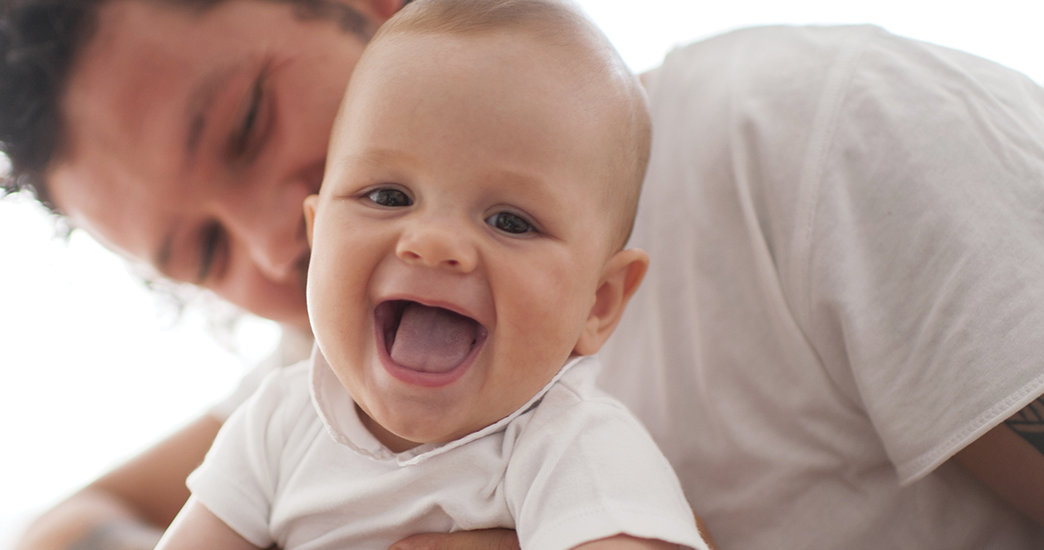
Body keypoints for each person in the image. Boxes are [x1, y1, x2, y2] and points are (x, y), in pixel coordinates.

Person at [0, 0, 1044, 548]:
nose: (283, 243)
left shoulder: (814, 141)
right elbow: (83, 516)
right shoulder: (336, 377)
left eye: (246, 128)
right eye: (205, 253)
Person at [154, 3, 709, 548]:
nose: (434, 243)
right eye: (388, 196)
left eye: (511, 222)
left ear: (599, 303)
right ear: (319, 232)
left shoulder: (570, 448)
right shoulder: (278, 422)